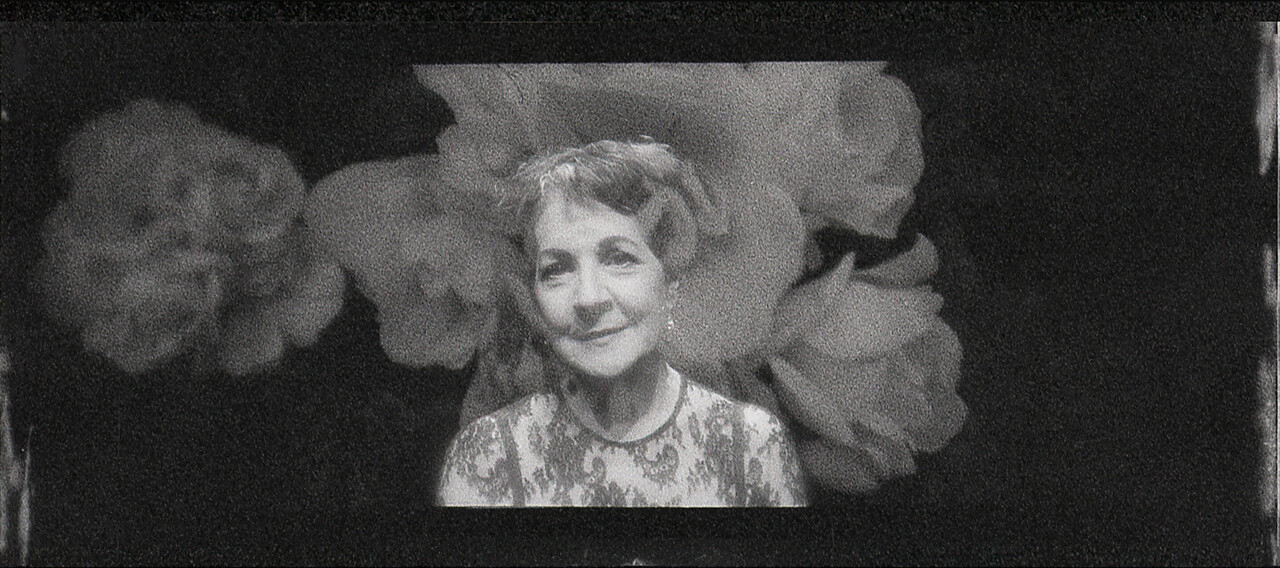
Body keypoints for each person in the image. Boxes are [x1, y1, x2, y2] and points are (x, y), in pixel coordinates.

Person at [435, 140, 808, 507]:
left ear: (671, 280)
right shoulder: (487, 454)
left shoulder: (751, 446)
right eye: (557, 269)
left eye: (619, 259)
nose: (589, 299)